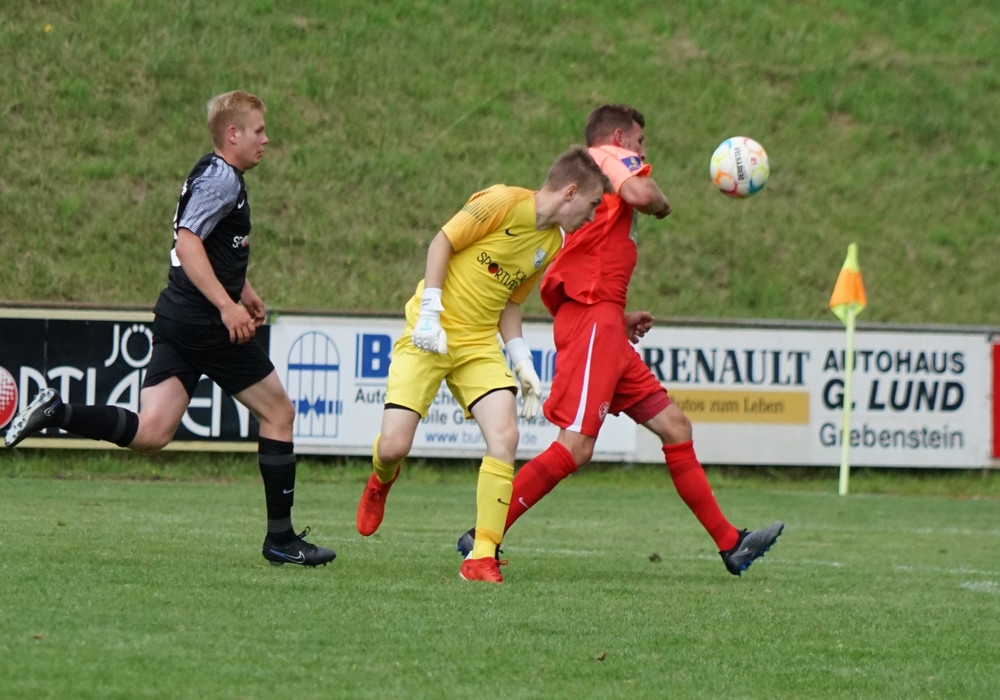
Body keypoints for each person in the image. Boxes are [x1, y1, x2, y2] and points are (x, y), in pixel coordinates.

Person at [4, 90, 336, 568]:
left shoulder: (211, 172)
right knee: (279, 413)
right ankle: (281, 539)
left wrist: (243, 290)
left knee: (152, 432)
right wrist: (226, 306)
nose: (266, 139)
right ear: (233, 134)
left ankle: (58, 411)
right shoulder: (222, 180)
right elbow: (187, 243)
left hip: (177, 316)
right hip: (205, 323)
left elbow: (208, 245)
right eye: (259, 130)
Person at [457, 104, 783, 576]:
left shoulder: (595, 183)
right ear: (618, 137)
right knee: (575, 446)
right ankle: (483, 534)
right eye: (639, 142)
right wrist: (663, 205)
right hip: (593, 321)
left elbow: (585, 257)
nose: (642, 152)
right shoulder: (608, 160)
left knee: (675, 427)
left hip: (603, 320)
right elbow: (642, 193)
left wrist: (614, 316)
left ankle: (732, 544)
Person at [355, 146, 613, 584]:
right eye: (591, 205)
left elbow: (510, 301)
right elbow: (442, 242)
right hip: (429, 333)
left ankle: (481, 557)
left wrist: (521, 359)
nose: (591, 217)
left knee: (505, 436)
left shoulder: (552, 242)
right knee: (394, 445)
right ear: (570, 192)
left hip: (477, 344)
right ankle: (381, 479)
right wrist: (430, 313)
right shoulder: (502, 201)